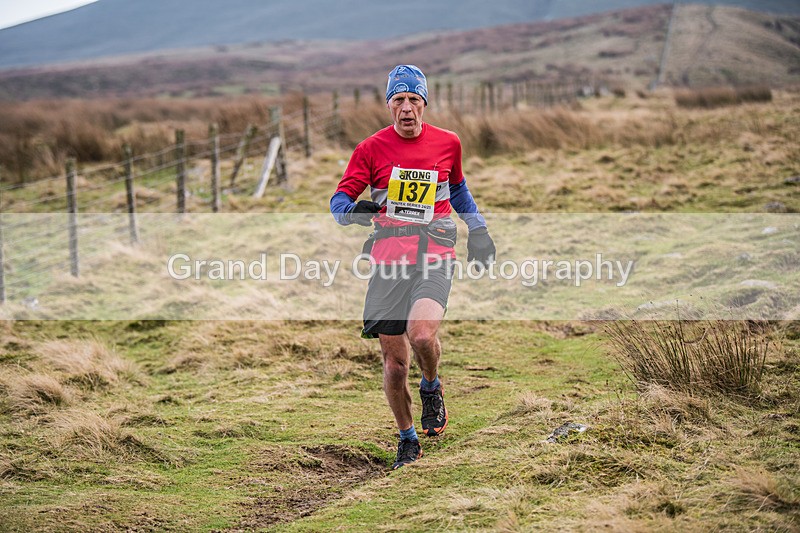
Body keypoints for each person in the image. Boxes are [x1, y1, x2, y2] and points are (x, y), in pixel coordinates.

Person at [330, 64, 495, 469]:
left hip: (435, 253)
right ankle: (406, 438)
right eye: (398, 100)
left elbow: (457, 187)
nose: (407, 108)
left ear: (424, 103)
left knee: (422, 336)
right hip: (388, 260)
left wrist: (478, 229)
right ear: (389, 105)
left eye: (414, 100)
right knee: (394, 362)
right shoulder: (370, 149)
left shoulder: (448, 143)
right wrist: (353, 211)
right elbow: (338, 201)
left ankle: (432, 386)